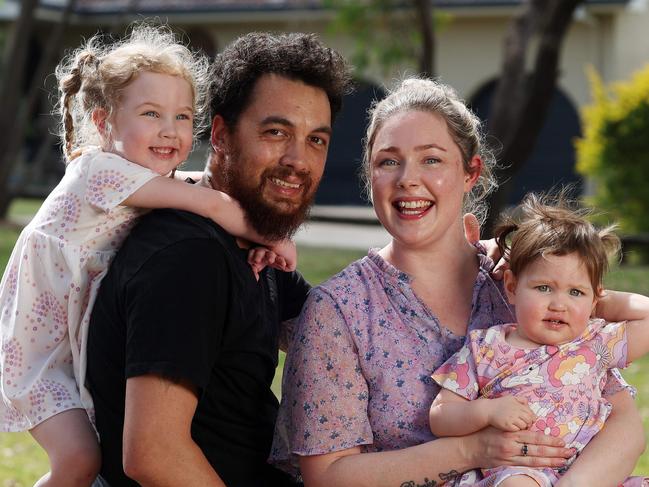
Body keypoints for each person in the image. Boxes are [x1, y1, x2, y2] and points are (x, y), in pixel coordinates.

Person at [271, 78, 646, 486]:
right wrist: (474, 449)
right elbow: (328, 478)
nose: (407, 179)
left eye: (431, 160)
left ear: (471, 172)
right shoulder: (340, 311)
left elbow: (622, 422)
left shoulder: (522, 285)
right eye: (388, 161)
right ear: (370, 175)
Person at [0, 24, 296, 487]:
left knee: (87, 459)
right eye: (151, 113)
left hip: (66, 343)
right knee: (79, 461)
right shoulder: (97, 171)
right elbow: (214, 202)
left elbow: (199, 186)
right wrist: (274, 235)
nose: (170, 130)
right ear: (103, 122)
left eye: (182, 116)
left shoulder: (142, 179)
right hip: (37, 355)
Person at [85, 31, 353, 486]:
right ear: (222, 134)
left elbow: (341, 330)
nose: (298, 161)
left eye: (316, 141)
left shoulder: (250, 244)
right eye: (276, 132)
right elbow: (153, 453)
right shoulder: (190, 257)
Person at [429, 192, 649, 487]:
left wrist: (600, 302)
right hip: (515, 471)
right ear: (512, 286)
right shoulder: (486, 347)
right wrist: (487, 411)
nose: (559, 304)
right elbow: (441, 416)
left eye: (574, 292)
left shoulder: (596, 342)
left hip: (586, 473)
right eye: (544, 287)